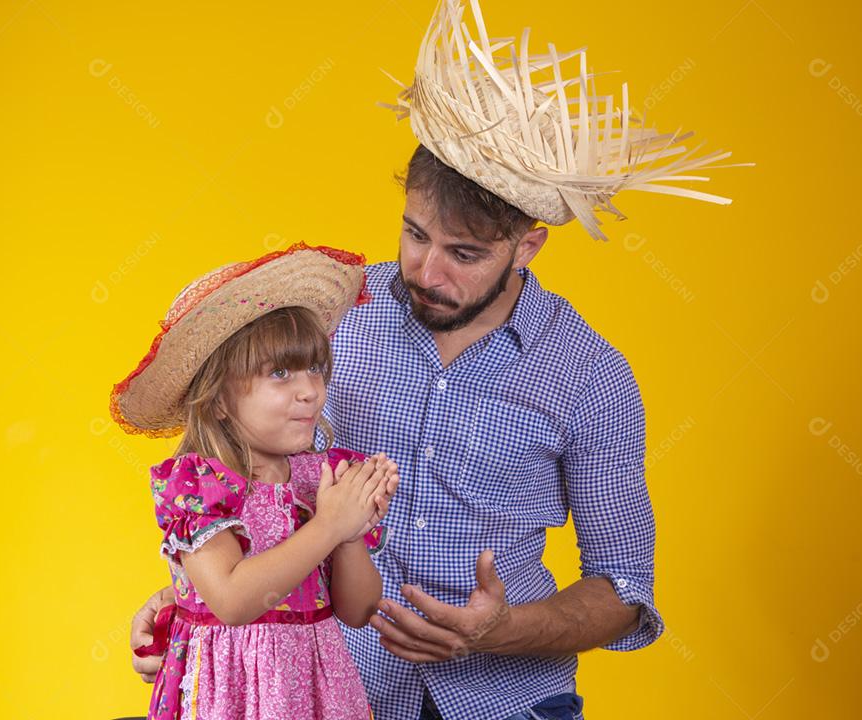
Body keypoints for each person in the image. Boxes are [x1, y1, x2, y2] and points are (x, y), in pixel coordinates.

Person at [132, 1, 748, 717]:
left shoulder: (591, 375)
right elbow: (255, 486)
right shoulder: (329, 317)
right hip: (333, 689)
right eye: (415, 234)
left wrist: (502, 628)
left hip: (508, 700)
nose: (426, 270)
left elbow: (624, 588)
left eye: (463, 254)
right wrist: (196, 595)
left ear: (526, 246)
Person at [109, 245, 401, 720]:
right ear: (218, 398)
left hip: (319, 694)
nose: (310, 389)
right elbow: (233, 600)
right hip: (230, 693)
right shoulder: (201, 485)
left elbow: (358, 610)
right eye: (280, 373)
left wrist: (350, 533)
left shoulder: (320, 476)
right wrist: (328, 525)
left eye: (314, 368)